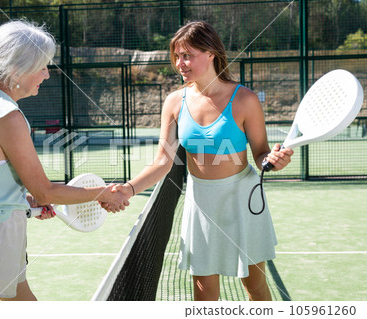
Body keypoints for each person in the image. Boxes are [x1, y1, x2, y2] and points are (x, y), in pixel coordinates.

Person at [111, 21, 293, 301]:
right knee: (204, 293)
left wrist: (273, 159)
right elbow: (163, 161)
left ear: (210, 53)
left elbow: (260, 154)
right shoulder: (174, 102)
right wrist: (129, 188)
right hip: (200, 203)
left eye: (187, 55)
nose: (180, 63)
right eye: (177, 57)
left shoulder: (244, 99)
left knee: (254, 285)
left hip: (243, 200)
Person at [0, 20, 128, 301]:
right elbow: (45, 191)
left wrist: (23, 201)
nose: (46, 74)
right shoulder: (8, 117)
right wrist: (103, 194)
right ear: (18, 70)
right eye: (42, 66)